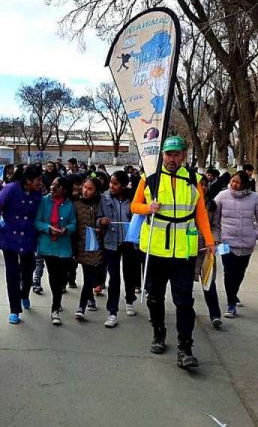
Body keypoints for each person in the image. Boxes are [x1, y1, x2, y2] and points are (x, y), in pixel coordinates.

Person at [131, 136, 215, 368]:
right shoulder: (149, 178)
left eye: (177, 154)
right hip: (155, 250)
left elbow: (201, 214)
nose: (172, 158)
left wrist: (209, 240)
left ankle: (185, 347)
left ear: (184, 156)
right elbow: (134, 205)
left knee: (184, 302)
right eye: (168, 154)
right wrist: (149, 207)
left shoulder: (193, 179)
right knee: (155, 297)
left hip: (183, 252)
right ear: (162, 155)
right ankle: (159, 332)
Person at [214, 170, 258, 318]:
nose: (234, 184)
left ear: (244, 184)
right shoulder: (222, 196)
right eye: (233, 181)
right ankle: (231, 303)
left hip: (246, 243)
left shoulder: (254, 198)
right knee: (228, 272)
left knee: (239, 273)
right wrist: (217, 237)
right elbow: (215, 220)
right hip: (226, 242)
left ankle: (233, 293)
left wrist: (256, 234)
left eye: (238, 182)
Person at [0, 165, 43, 324]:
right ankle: (14, 309)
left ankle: (25, 294)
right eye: (38, 179)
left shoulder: (38, 194)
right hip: (9, 237)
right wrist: (1, 225)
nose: (40, 182)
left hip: (29, 238)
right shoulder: (10, 189)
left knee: (28, 270)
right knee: (12, 274)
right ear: (28, 180)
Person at [97, 170, 140, 322]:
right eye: (111, 183)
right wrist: (101, 221)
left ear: (123, 185)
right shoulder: (104, 197)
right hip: (111, 242)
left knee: (130, 274)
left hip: (129, 241)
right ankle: (112, 311)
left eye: (115, 184)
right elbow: (98, 216)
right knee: (114, 277)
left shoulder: (133, 198)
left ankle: (129, 300)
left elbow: (139, 217)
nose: (112, 186)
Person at [34, 176, 77, 326]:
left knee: (64, 275)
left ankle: (57, 298)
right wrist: (48, 228)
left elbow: (73, 224)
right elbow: (37, 221)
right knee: (54, 275)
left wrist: (66, 229)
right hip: (47, 245)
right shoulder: (44, 201)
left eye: (56, 186)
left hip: (64, 246)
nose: (52, 188)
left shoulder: (70, 205)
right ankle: (55, 308)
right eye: (52, 185)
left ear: (64, 190)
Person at [72, 177, 105, 323]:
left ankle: (81, 307)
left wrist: (101, 226)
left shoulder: (101, 204)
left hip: (94, 246)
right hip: (78, 244)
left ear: (96, 191)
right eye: (84, 187)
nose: (85, 191)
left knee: (88, 277)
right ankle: (89, 298)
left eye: (90, 189)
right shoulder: (76, 203)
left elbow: (104, 219)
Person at [194, 175, 222, 328]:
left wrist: (214, 240)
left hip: (207, 249)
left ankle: (215, 314)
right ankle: (187, 310)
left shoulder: (213, 205)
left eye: (205, 185)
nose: (203, 188)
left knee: (209, 282)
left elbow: (216, 226)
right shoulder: (188, 202)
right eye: (200, 184)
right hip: (189, 248)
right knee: (185, 283)